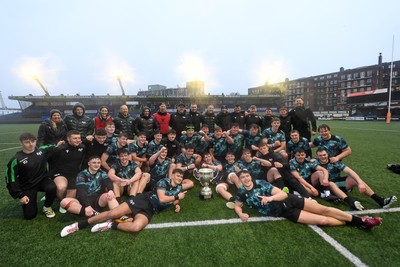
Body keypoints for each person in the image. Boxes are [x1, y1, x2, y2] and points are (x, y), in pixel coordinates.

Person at [234, 170, 382, 229]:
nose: (246, 179)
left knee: (325, 210)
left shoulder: (261, 183)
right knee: (323, 220)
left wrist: (270, 198)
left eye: (247, 176)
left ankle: (361, 221)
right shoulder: (241, 192)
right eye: (243, 177)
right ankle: (358, 222)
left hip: (291, 200)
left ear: (250, 177)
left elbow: (283, 194)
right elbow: (237, 205)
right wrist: (241, 214)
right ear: (240, 180)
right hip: (286, 212)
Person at [60, 169, 188, 237]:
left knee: (136, 227)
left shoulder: (178, 188)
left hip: (151, 210)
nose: (179, 178)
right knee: (113, 213)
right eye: (177, 176)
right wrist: (177, 196)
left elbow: (173, 199)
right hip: (142, 201)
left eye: (181, 177)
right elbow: (162, 199)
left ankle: (111, 226)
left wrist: (176, 203)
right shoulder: (164, 182)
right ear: (172, 176)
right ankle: (78, 225)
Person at [316, 148, 397, 210]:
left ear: (327, 154)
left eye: (324, 155)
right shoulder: (314, 162)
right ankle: (350, 202)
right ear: (317, 156)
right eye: (320, 155)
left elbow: (350, 171)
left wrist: (360, 182)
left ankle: (380, 201)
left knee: (354, 179)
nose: (323, 157)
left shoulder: (334, 161)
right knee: (330, 183)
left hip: (336, 182)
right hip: (324, 186)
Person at [5, 133, 57, 219]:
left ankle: (47, 207)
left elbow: (53, 145)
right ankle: (29, 203)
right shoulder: (16, 159)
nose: (31, 144)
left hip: (42, 180)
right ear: (21, 143)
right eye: (27, 142)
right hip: (27, 185)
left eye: (33, 141)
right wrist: (20, 195)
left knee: (52, 187)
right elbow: (10, 179)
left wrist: (59, 144)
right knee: (30, 215)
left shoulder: (41, 150)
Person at [48, 130, 86, 212]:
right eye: (75, 138)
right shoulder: (60, 148)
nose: (77, 140)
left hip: (74, 173)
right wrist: (51, 174)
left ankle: (65, 202)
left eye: (79, 138)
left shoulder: (82, 147)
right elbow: (49, 159)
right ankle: (60, 200)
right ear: (68, 139)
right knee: (61, 188)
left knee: (73, 189)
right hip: (60, 173)